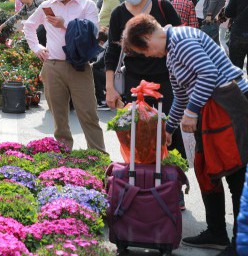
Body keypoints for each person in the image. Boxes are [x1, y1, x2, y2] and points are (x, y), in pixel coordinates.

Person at [123, 14, 248, 255]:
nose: (148, 56)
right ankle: (216, 232)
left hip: (228, 106)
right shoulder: (171, 53)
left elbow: (208, 74)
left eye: (145, 50)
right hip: (210, 109)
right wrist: (168, 129)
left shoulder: (181, 40)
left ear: (148, 36)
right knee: (206, 170)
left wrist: (191, 112)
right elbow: (181, 95)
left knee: (235, 174)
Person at [104, 0, 187, 163]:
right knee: (136, 133)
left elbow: (180, 39)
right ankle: (142, 176)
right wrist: (110, 87)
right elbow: (112, 52)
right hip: (135, 83)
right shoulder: (118, 14)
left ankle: (173, 177)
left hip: (167, 80)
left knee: (172, 133)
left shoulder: (163, 6)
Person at [23, 0, 106, 152]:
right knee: (59, 117)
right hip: (52, 65)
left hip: (79, 66)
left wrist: (65, 24)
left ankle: (98, 157)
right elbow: (29, 25)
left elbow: (93, 32)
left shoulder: (87, 5)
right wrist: (37, 48)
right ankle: (63, 157)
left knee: (89, 114)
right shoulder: (47, 5)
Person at [225, 0, 248, 72]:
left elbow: (228, 12)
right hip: (239, 33)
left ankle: (238, 83)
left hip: (239, 33)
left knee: (235, 68)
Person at [93, 28, 110, 110]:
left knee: (93, 71)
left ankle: (102, 100)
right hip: (109, 73)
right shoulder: (108, 45)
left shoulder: (108, 47)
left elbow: (100, 63)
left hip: (111, 76)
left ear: (101, 42)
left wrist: (91, 65)